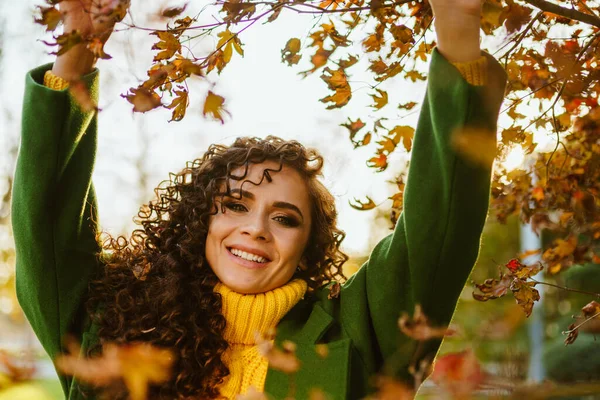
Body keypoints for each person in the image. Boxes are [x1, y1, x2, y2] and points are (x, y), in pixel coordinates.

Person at [13, 0, 507, 398]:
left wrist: (460, 46)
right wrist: (74, 61)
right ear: (199, 221)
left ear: (309, 243)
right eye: (234, 205)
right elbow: (47, 224)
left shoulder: (358, 334)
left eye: (286, 218)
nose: (255, 227)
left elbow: (436, 233)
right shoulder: (114, 322)